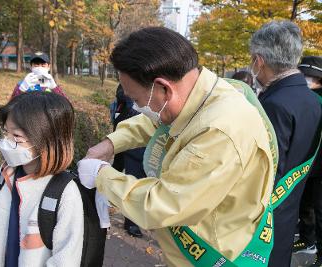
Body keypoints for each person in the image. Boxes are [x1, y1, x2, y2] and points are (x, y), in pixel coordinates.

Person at [78, 26, 276, 266]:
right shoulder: (205, 93)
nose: (138, 107)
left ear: (163, 88)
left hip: (210, 255)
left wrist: (102, 175)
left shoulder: (219, 132)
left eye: (137, 100)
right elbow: (156, 121)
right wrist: (111, 143)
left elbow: (162, 204)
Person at [0, 92, 83, 266]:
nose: (6, 141)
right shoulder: (5, 175)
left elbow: (66, 259)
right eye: (6, 132)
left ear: (48, 140)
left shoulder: (64, 192)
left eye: (17, 137)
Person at [249, 21, 322, 266]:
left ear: (259, 61)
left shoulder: (275, 103)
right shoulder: (310, 99)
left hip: (263, 224)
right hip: (288, 212)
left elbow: (265, 173)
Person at [294, 56, 322, 265]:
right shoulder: (301, 96)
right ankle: (307, 240)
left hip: (317, 163)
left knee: (318, 208)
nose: (307, 80)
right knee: (305, 204)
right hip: (306, 163)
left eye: (311, 76)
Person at [110, 84, 146, 238]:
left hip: (143, 140)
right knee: (119, 170)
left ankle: (132, 220)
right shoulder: (134, 74)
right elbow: (121, 93)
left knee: (136, 178)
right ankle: (129, 220)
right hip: (125, 135)